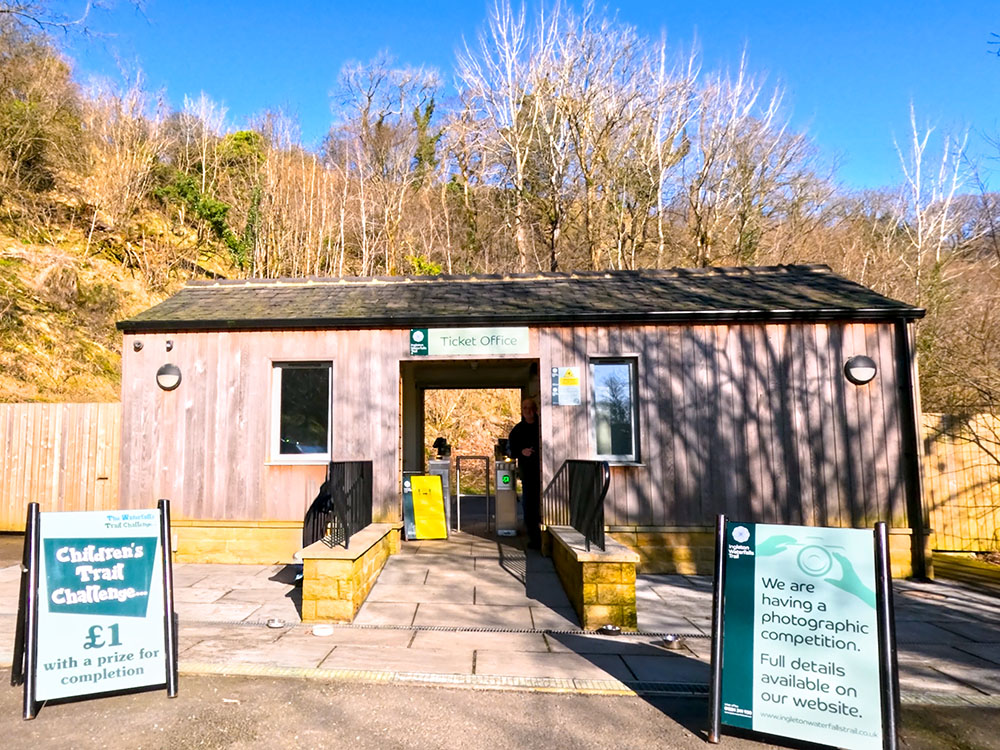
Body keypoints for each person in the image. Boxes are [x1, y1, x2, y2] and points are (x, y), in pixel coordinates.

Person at [508, 397, 541, 549]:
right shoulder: (517, 430)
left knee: (543, 506)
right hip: (528, 474)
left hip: (545, 474)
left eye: (530, 407)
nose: (527, 410)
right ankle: (534, 538)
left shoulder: (543, 426)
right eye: (524, 408)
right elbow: (510, 451)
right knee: (529, 506)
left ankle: (542, 537)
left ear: (535, 409)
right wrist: (522, 451)